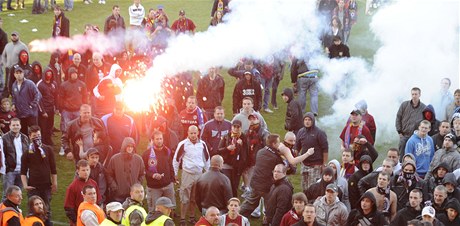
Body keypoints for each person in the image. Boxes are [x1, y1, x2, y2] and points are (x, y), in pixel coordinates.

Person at [173, 125, 210, 225]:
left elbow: (206, 159)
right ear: (188, 133)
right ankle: (182, 219)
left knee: (194, 197)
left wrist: (207, 173)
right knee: (184, 198)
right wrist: (175, 173)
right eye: (191, 133)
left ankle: (192, 217)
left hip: (199, 174)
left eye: (195, 133)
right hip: (187, 174)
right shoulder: (183, 144)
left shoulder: (202, 144)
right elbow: (176, 159)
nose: (193, 135)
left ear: (198, 133)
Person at [20, 125, 57, 226]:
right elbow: (23, 171)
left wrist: (54, 183)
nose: (37, 137)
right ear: (30, 137)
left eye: (38, 135)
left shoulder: (48, 149)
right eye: (34, 136)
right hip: (33, 187)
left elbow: (53, 168)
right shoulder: (27, 152)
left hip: (46, 186)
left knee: (46, 210)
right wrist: (25, 185)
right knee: (34, 209)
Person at [142, 130, 176, 213]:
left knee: (170, 209)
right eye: (157, 139)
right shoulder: (147, 154)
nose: (159, 141)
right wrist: (152, 175)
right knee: (155, 210)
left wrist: (172, 179)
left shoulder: (167, 151)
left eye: (161, 138)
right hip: (154, 187)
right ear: (152, 140)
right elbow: (143, 170)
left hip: (168, 185)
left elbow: (170, 165)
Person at [58, 68, 88, 155]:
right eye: (72, 73)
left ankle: (79, 147)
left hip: (78, 111)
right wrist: (62, 110)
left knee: (79, 129)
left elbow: (85, 97)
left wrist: (84, 108)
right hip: (67, 111)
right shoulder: (64, 85)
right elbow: (61, 98)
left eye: (76, 73)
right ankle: (64, 147)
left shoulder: (82, 85)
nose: (74, 75)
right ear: (69, 74)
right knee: (65, 129)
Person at [296, 112, 328, 192]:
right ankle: (305, 203)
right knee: (304, 187)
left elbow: (325, 149)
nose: (307, 121)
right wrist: (296, 159)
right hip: (304, 165)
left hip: (316, 166)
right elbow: (297, 147)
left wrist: (324, 164)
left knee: (313, 188)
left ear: (313, 121)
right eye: (305, 120)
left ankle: (313, 203)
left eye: (309, 120)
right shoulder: (300, 132)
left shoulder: (320, 133)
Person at [106, 137, 145, 203]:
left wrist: (137, 185)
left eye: (132, 146)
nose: (130, 148)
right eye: (128, 146)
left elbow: (142, 174)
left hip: (134, 196)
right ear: (124, 147)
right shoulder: (115, 159)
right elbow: (109, 174)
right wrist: (114, 186)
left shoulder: (138, 159)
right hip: (119, 195)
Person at [64, 160, 101, 226]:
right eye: (83, 170)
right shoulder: (72, 187)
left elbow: (98, 202)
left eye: (87, 170)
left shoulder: (94, 183)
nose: (86, 172)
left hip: (92, 219)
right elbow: (68, 209)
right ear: (78, 171)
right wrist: (77, 221)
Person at [217, 120, 248, 197]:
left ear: (241, 128)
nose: (236, 129)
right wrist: (227, 148)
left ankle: (234, 203)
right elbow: (219, 150)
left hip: (237, 166)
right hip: (226, 164)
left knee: (234, 186)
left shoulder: (244, 138)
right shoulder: (226, 136)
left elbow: (246, 154)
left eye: (238, 127)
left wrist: (240, 146)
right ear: (231, 127)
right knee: (227, 184)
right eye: (234, 127)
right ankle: (225, 202)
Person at [396, 87, 426, 161]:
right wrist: (399, 131)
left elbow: (425, 122)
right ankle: (400, 167)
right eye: (412, 94)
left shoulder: (424, 108)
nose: (414, 96)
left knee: (415, 155)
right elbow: (398, 118)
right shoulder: (404, 105)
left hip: (416, 136)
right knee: (402, 153)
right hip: (404, 135)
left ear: (419, 95)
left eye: (416, 94)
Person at [11, 65, 41, 135]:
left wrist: (32, 105)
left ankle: (37, 145)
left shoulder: (29, 83)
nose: (19, 75)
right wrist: (13, 104)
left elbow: (38, 94)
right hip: (20, 114)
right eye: (17, 73)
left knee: (34, 132)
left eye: (20, 73)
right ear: (14, 74)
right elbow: (13, 97)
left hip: (31, 114)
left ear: (23, 74)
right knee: (23, 134)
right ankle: (26, 146)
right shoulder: (14, 85)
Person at [2, 117, 27, 196]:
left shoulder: (25, 138)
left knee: (18, 195)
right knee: (7, 195)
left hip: (22, 171)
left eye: (17, 125)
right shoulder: (4, 138)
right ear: (10, 126)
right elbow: (2, 154)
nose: (15, 127)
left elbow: (27, 154)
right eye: (13, 125)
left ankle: (15, 208)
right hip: (10, 170)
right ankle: (4, 209)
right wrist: (7, 167)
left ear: (20, 126)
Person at [1, 31, 29, 95]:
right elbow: (3, 56)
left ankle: (17, 95)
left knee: (17, 83)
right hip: (8, 68)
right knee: (7, 82)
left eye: (15, 35)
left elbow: (27, 57)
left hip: (17, 69)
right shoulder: (8, 45)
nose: (14, 37)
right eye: (12, 36)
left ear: (18, 36)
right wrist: (6, 65)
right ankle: (7, 94)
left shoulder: (23, 46)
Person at [37, 67, 57, 145]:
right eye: (47, 73)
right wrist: (43, 111)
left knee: (50, 126)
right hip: (44, 110)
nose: (49, 75)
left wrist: (56, 107)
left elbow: (56, 96)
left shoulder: (54, 84)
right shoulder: (40, 84)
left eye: (50, 73)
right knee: (43, 127)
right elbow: (38, 99)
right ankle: (43, 142)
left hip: (51, 109)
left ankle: (49, 140)